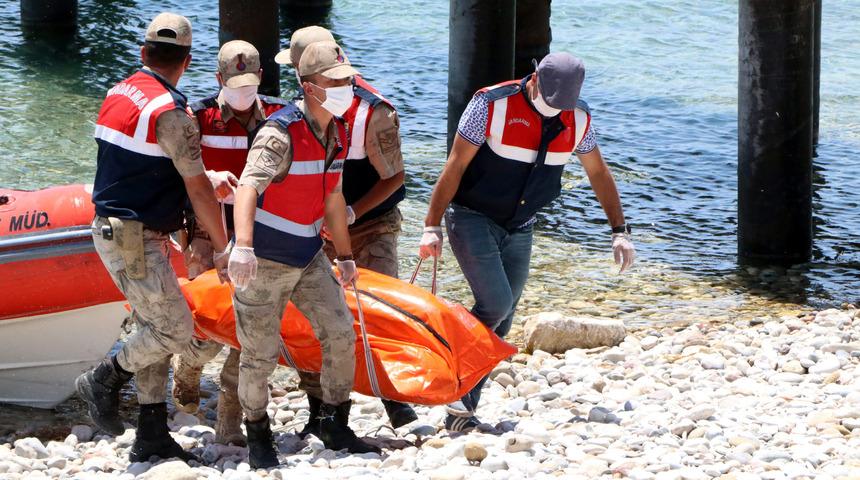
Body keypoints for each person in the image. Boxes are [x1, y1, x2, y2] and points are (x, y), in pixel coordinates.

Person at [419, 53, 636, 432]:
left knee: (504, 318)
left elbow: (599, 173)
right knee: (496, 304)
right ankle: (445, 358)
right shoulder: (490, 104)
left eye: (562, 105)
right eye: (550, 102)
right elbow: (455, 165)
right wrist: (431, 226)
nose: (555, 110)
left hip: (522, 224)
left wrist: (619, 230)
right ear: (534, 78)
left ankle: (460, 407)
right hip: (471, 215)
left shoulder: (578, 119)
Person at [76, 12, 231, 462]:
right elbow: (196, 189)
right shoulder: (172, 113)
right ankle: (103, 378)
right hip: (134, 236)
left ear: (144, 52)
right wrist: (223, 247)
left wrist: (205, 177)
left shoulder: (119, 92)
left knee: (152, 328)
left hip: (120, 227)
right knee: (174, 329)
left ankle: (151, 432)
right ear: (188, 61)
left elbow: (138, 164)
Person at [228, 40, 380, 468]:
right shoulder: (280, 133)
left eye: (348, 80)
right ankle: (258, 436)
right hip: (264, 261)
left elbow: (333, 196)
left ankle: (334, 423)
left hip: (310, 256)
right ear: (310, 87)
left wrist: (345, 256)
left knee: (341, 332)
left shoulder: (338, 132)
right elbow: (247, 187)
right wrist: (243, 248)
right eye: (336, 82)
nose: (347, 88)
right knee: (259, 354)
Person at [274, 25, 417, 435]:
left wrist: (352, 213)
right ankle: (319, 410)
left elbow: (395, 179)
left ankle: (394, 400)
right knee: (313, 320)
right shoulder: (299, 111)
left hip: (372, 225)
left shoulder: (374, 113)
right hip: (318, 231)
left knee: (379, 314)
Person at [170, 40, 290, 447]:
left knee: (251, 327)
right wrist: (208, 178)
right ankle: (189, 364)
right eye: (235, 85)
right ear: (219, 79)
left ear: (261, 78)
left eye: (250, 83)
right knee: (208, 321)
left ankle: (229, 420)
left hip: (259, 232)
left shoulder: (279, 116)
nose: (244, 92)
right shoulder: (197, 117)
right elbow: (173, 170)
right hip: (207, 228)